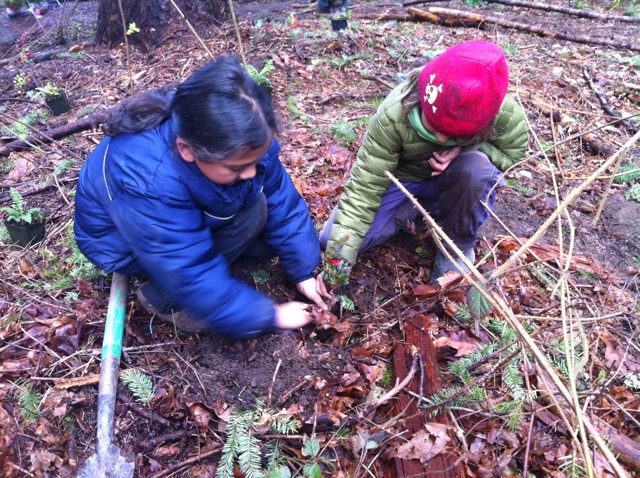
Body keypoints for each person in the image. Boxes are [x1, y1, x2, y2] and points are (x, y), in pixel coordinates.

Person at [74, 56, 331, 340]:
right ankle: (162, 299)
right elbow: (184, 266)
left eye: (255, 162)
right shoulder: (148, 178)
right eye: (236, 168)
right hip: (121, 243)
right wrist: (271, 315)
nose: (249, 173)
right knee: (253, 213)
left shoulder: (235, 131)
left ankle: (218, 264)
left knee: (262, 219)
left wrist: (304, 271)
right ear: (187, 150)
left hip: (175, 217)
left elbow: (282, 201)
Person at [319, 40, 529, 283]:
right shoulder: (395, 112)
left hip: (455, 177)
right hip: (403, 180)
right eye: (433, 126)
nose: (441, 138)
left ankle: (454, 247)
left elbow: (511, 157)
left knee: (478, 170)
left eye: (452, 134)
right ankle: (416, 208)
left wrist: (464, 148)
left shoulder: (502, 111)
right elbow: (366, 186)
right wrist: (339, 258)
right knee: (331, 240)